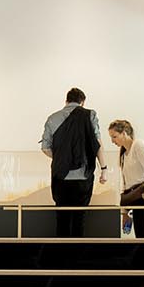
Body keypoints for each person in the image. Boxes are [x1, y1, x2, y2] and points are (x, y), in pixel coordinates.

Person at [40, 87, 107, 238]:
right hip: (83, 176)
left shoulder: (52, 118)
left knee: (62, 218)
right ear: (82, 102)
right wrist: (104, 168)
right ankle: (76, 256)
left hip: (60, 177)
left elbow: (45, 148)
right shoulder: (90, 115)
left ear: (66, 101)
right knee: (79, 218)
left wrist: (62, 159)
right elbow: (97, 144)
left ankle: (61, 257)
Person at [108, 119, 144, 238]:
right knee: (140, 234)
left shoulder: (138, 145)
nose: (112, 141)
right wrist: (124, 212)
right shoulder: (123, 155)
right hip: (137, 196)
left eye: (114, 137)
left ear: (124, 133)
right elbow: (125, 185)